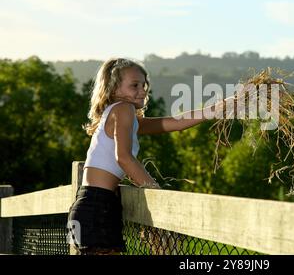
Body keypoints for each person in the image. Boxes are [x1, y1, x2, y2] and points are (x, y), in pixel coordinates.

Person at [67, 57, 235, 255]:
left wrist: (224, 105)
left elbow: (175, 122)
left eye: (144, 84)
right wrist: (156, 191)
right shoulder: (123, 109)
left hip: (88, 206)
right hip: (97, 208)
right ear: (113, 90)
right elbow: (124, 157)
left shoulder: (122, 115)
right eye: (134, 85)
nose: (143, 90)